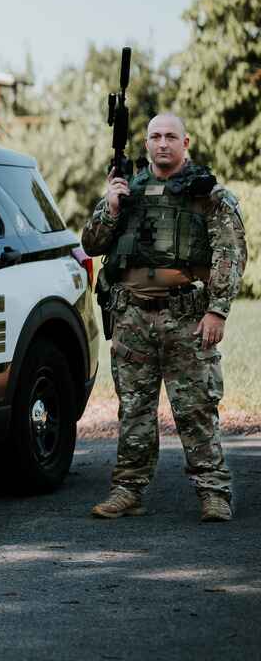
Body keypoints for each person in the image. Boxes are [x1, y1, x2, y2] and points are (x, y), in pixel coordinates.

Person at [82, 113, 245, 522]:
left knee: (196, 408)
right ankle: (128, 490)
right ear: (146, 142)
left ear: (185, 142)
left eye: (171, 136)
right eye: (155, 136)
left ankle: (213, 491)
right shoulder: (128, 190)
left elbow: (230, 254)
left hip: (186, 317)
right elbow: (92, 243)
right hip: (132, 317)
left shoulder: (209, 194)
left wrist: (217, 311)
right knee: (133, 409)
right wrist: (111, 205)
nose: (162, 143)